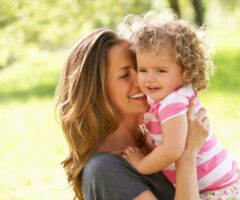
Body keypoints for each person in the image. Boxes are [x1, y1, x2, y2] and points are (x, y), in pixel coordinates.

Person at [55, 27, 211, 200]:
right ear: (95, 93)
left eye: (140, 68)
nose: (142, 80)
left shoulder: (155, 139)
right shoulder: (105, 171)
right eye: (124, 75)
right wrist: (186, 155)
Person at [119, 12, 240, 199]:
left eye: (161, 70)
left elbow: (172, 150)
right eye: (143, 70)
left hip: (218, 192)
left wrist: (140, 164)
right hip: (226, 183)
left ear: (186, 71)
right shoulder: (170, 97)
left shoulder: (172, 104)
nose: (149, 78)